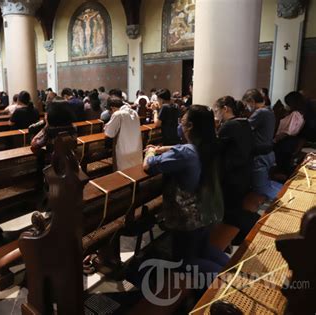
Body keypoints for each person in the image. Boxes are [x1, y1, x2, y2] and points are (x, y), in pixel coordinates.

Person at [143, 105, 228, 275]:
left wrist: (151, 152)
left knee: (184, 262)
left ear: (190, 126)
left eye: (182, 122)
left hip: (187, 219)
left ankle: (223, 283)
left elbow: (148, 166)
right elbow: (188, 151)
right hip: (207, 211)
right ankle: (233, 269)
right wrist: (166, 148)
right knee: (204, 250)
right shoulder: (212, 145)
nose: (180, 126)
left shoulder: (185, 153)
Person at [214, 96, 258, 245]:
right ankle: (239, 236)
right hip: (244, 172)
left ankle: (241, 234)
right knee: (236, 206)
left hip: (232, 175)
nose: (216, 114)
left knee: (230, 210)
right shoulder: (244, 123)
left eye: (217, 110)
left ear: (225, 109)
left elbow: (217, 149)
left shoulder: (229, 126)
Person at [242, 89, 281, 200]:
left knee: (261, 188)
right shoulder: (269, 110)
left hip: (260, 155)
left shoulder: (260, 112)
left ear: (252, 101)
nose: (247, 107)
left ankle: (287, 200)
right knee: (266, 183)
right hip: (268, 153)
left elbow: (245, 128)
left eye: (247, 104)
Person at [104, 96, 143, 171]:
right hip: (136, 148)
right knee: (134, 171)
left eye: (110, 111)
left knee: (123, 175)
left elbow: (109, 134)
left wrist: (106, 127)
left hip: (124, 150)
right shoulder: (134, 112)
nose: (110, 113)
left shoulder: (118, 114)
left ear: (112, 108)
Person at [273, 91, 306, 176]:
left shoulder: (295, 114)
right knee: (285, 165)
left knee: (283, 166)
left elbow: (288, 131)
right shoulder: (299, 113)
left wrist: (275, 140)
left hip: (285, 142)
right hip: (289, 142)